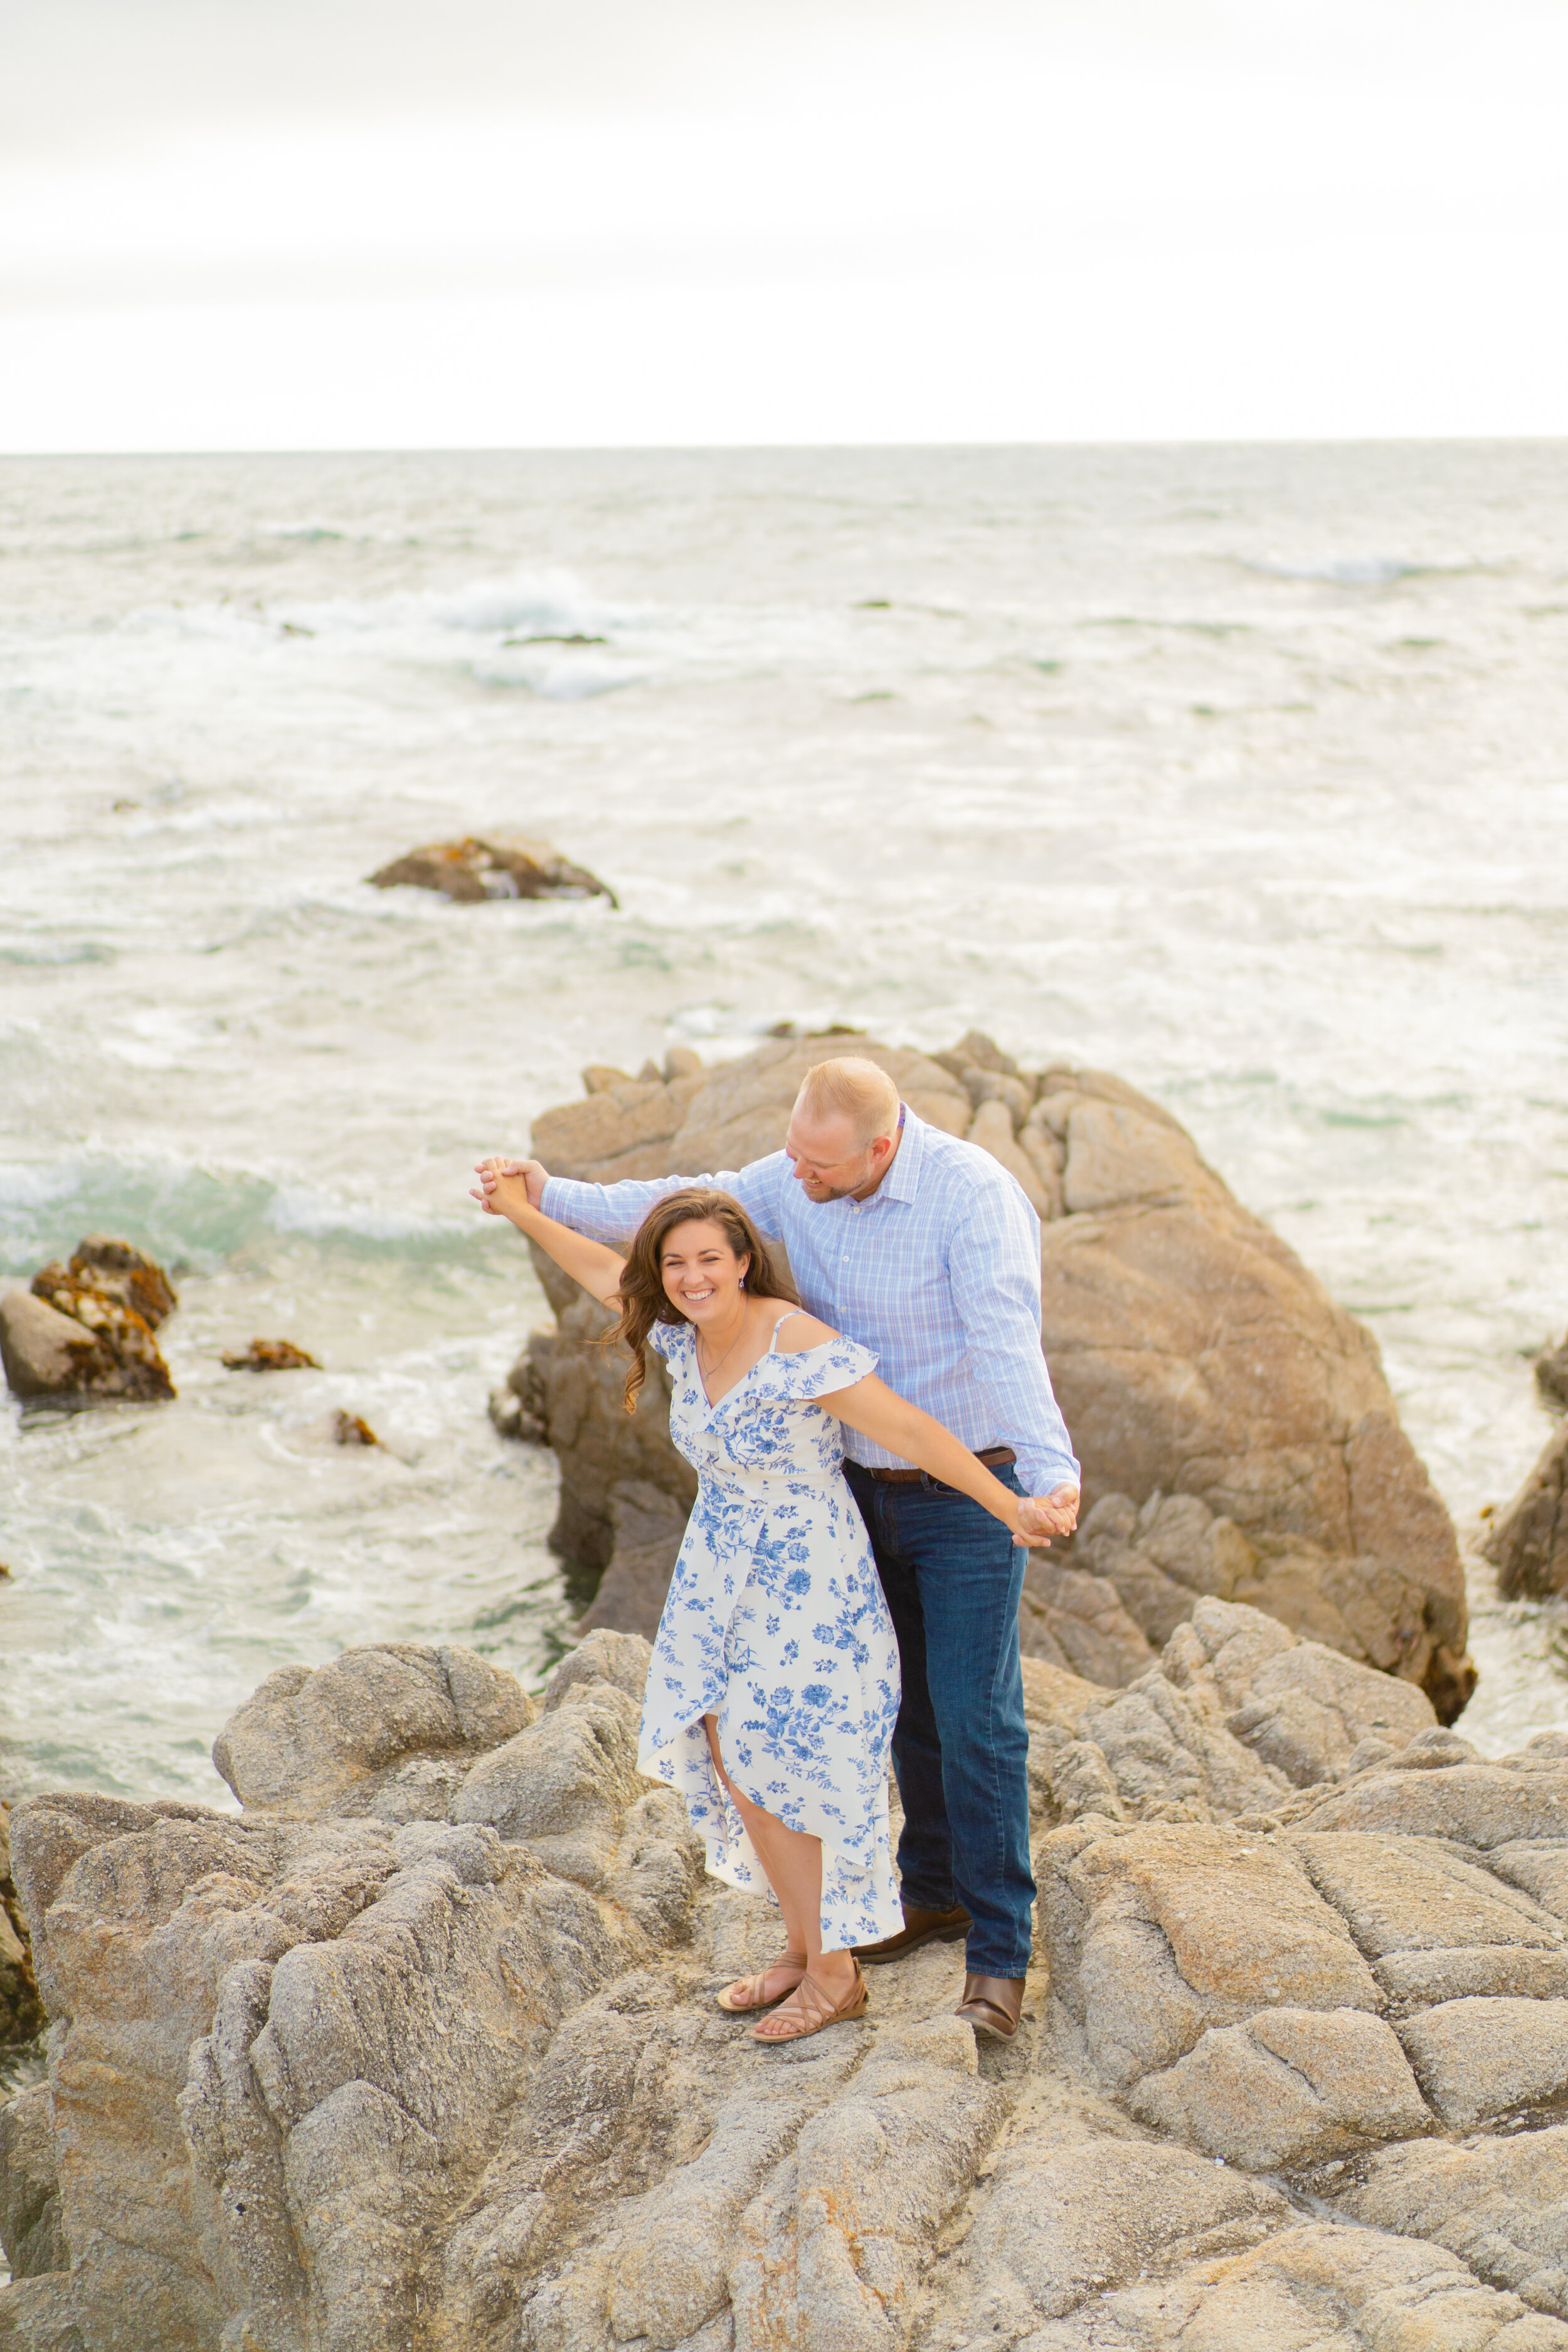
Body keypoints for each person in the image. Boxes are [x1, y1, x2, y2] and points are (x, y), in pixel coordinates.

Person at [478, 1056, 1081, 2042]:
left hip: (961, 1489)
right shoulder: (770, 1208)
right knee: (906, 1718)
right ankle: (926, 1895)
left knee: (975, 1718)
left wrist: (1032, 1488)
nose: (796, 1176)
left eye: (820, 1164)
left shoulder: (970, 1199)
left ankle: (998, 1955)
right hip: (843, 1501)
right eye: (793, 1155)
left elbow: (1000, 1347)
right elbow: (657, 1230)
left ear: (882, 1147)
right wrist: (543, 1198)